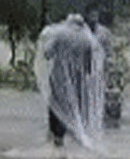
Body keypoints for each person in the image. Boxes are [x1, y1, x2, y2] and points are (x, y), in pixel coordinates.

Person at [37, 13, 104, 148]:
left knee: (56, 110)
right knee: (75, 113)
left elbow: (47, 53)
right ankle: (76, 144)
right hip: (78, 83)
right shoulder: (87, 39)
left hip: (58, 81)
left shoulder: (60, 36)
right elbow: (89, 65)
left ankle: (57, 143)